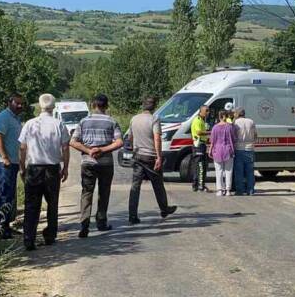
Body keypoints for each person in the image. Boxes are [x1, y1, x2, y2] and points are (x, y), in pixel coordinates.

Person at [18, 93, 70, 251]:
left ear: (40, 106)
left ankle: (29, 238)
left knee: (31, 205)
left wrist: (22, 167)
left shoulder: (30, 124)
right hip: (52, 169)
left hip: (34, 168)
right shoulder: (59, 124)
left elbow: (22, 147)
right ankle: (50, 235)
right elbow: (65, 147)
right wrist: (66, 167)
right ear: (53, 107)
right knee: (52, 204)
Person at [69, 94, 123, 237]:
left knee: (87, 192)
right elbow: (119, 142)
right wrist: (102, 150)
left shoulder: (83, 121)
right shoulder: (112, 122)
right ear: (106, 106)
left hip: (88, 162)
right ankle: (101, 222)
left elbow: (73, 142)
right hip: (106, 163)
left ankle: (84, 225)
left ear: (93, 105)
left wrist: (89, 151)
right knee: (104, 193)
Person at [127, 97, 178, 225]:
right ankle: (164, 209)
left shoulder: (134, 119)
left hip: (138, 156)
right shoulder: (154, 119)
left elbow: (130, 137)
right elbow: (157, 139)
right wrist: (159, 157)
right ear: (154, 107)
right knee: (158, 184)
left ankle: (132, 215)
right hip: (150, 157)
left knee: (135, 186)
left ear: (143, 106)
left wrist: (134, 149)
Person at [0, 93, 25, 239]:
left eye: (22, 103)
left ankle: (5, 226)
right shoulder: (3, 117)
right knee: (4, 195)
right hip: (3, 162)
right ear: (9, 102)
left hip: (12, 162)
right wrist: (5, 158)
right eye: (17, 103)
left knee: (9, 196)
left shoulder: (15, 118)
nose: (20, 106)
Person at [210, 110, 237, 196]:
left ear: (219, 117)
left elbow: (212, 141)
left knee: (219, 171)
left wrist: (210, 150)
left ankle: (220, 190)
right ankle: (228, 190)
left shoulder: (214, 127)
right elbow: (233, 138)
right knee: (229, 171)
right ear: (226, 116)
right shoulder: (230, 127)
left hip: (217, 150)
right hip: (228, 150)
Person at [232, 108, 258, 195]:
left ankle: (240, 190)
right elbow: (255, 135)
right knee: (250, 171)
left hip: (239, 148)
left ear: (237, 114)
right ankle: (250, 190)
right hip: (250, 149)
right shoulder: (251, 121)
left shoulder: (235, 123)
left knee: (239, 171)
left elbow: (233, 136)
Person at [189, 105, 210, 192]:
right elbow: (198, 132)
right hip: (198, 146)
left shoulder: (202, 120)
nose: (208, 112)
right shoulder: (197, 120)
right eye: (206, 111)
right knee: (200, 166)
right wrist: (209, 132)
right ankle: (200, 185)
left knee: (200, 165)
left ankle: (197, 185)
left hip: (202, 145)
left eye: (208, 111)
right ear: (201, 111)